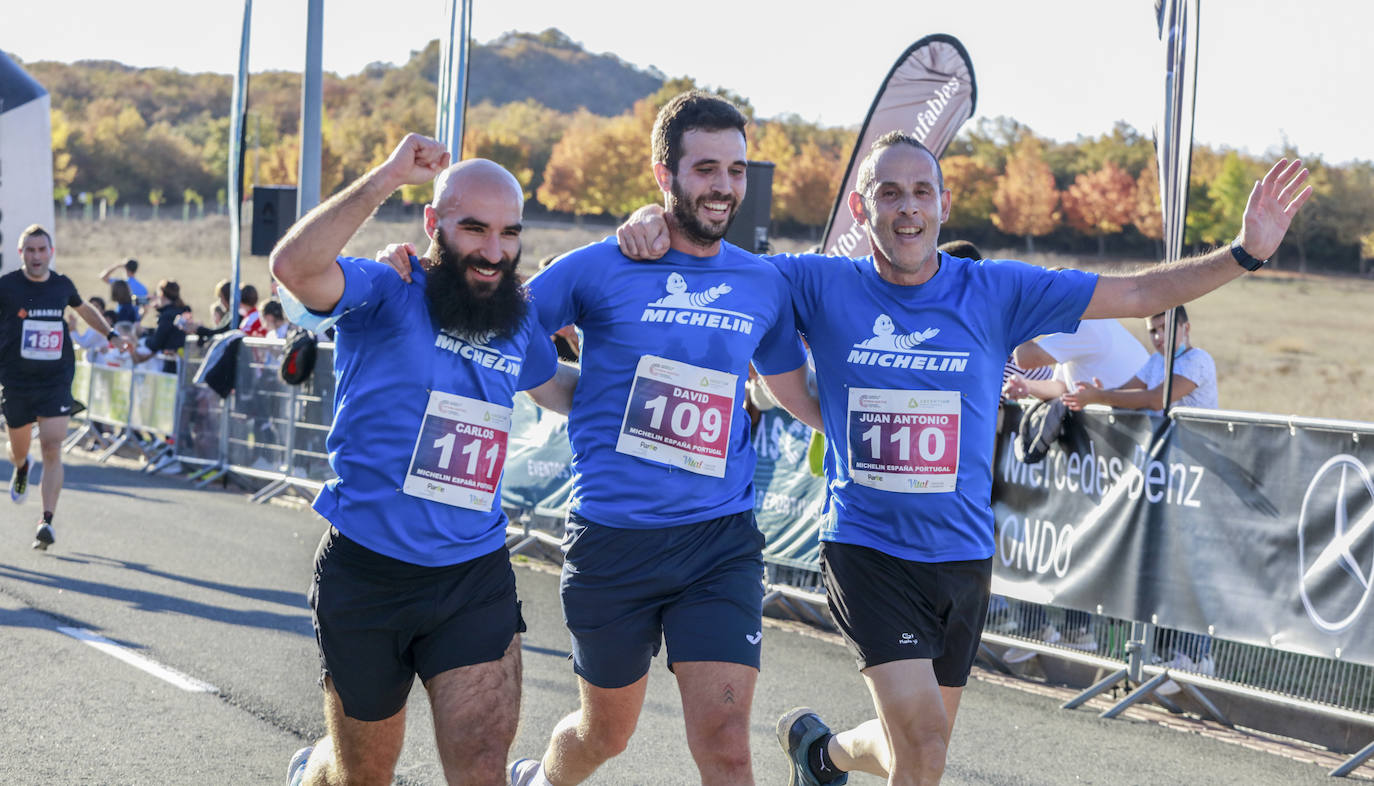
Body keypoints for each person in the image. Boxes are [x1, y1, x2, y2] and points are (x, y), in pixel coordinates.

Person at [617, 132, 1310, 784]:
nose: (909, 206)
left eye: (923, 191)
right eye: (890, 193)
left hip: (961, 556)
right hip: (866, 547)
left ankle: (821, 754)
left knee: (912, 746)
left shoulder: (996, 289)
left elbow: (1133, 292)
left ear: (944, 204)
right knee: (922, 745)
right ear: (862, 209)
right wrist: (659, 218)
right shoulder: (820, 283)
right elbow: (719, 266)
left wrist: (1244, 252)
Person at [506, 91, 811, 786]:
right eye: (706, 169)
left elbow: (796, 395)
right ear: (663, 172)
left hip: (718, 542)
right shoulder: (603, 265)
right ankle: (541, 780)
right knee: (604, 735)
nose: (724, 187)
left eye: (736, 171)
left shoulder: (761, 282)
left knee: (728, 745)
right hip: (614, 541)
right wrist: (563, 391)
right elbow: (512, 323)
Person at [270, 133, 576, 786]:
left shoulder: (518, 319)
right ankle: (311, 772)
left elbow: (564, 392)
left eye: (510, 233)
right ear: (433, 223)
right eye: (474, 229)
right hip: (368, 574)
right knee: (363, 775)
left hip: (472, 577)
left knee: (482, 768)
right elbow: (294, 268)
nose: (495, 252)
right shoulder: (386, 290)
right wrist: (386, 177)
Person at [2, 225, 132, 548]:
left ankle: (46, 521)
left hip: (54, 380)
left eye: (41, 250)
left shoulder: (62, 285)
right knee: (19, 449)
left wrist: (111, 335)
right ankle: (21, 468)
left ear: (51, 252)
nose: (36, 256)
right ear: (21, 254)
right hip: (16, 380)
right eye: (29, 250)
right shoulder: (6, 287)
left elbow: (84, 309)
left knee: (51, 445)